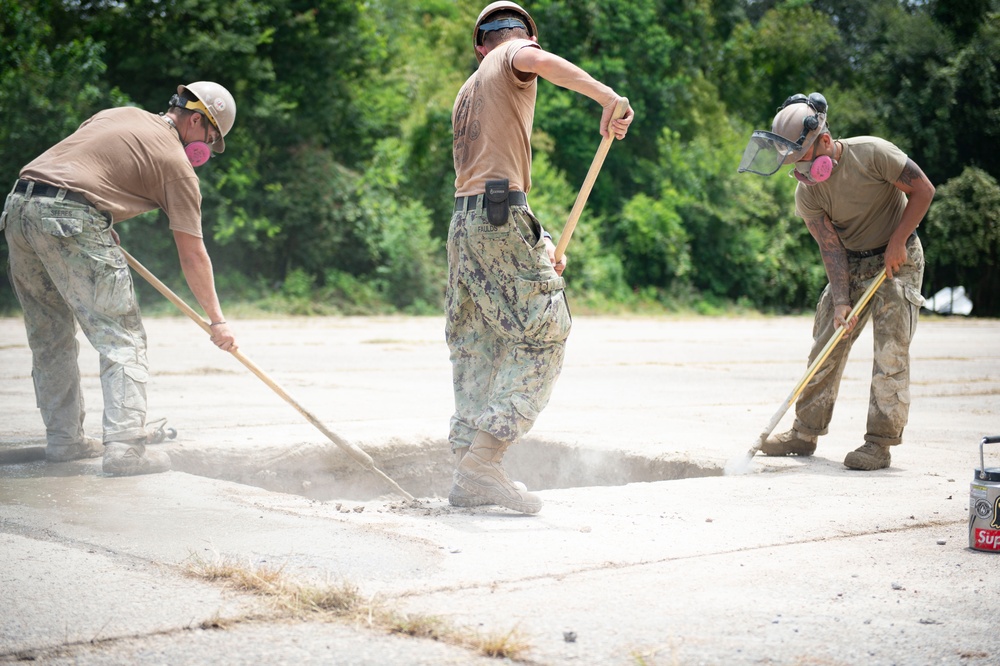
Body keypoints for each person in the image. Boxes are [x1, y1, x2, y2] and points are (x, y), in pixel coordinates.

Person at [447, 1, 634, 512]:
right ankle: (484, 464)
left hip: (465, 222)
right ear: (518, 37)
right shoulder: (513, 56)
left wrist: (540, 243)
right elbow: (541, 61)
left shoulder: (470, 89)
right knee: (546, 330)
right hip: (500, 214)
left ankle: (467, 467)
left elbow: (488, 183)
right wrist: (607, 97)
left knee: (476, 343)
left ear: (479, 43)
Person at [2, 81, 239, 476]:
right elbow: (192, 253)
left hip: (19, 208)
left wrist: (97, 214)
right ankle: (126, 450)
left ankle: (64, 442)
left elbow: (82, 165)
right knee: (122, 337)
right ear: (197, 119)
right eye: (211, 139)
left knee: (50, 335)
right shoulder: (178, 167)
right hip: (71, 217)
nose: (205, 151)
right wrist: (217, 320)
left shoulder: (120, 113)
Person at [738, 92, 935, 470]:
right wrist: (842, 300)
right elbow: (830, 248)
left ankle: (879, 443)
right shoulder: (806, 194)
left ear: (825, 142)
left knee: (890, 353)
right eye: (792, 166)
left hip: (898, 256)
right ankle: (803, 432)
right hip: (851, 261)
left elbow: (923, 190)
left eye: (803, 162)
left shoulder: (874, 153)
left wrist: (897, 243)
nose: (800, 174)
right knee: (825, 345)